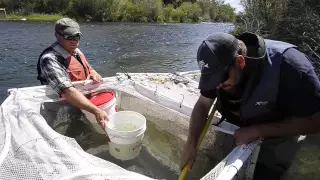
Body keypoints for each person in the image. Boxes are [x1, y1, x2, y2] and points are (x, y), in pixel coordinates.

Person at [180, 32, 320, 179]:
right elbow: (203, 104)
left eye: (221, 79)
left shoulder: (292, 66)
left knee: (266, 174)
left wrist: (258, 130)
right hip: (239, 126)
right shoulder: (217, 65)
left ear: (240, 62)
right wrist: (191, 143)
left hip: (281, 131)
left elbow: (316, 122)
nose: (218, 85)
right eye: (211, 81)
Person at [37, 18, 108, 128]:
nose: (74, 40)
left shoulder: (75, 50)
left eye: (77, 36)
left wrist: (93, 71)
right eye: (69, 37)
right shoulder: (50, 59)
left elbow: (88, 67)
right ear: (57, 36)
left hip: (83, 104)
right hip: (63, 108)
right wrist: (96, 111)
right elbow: (66, 91)